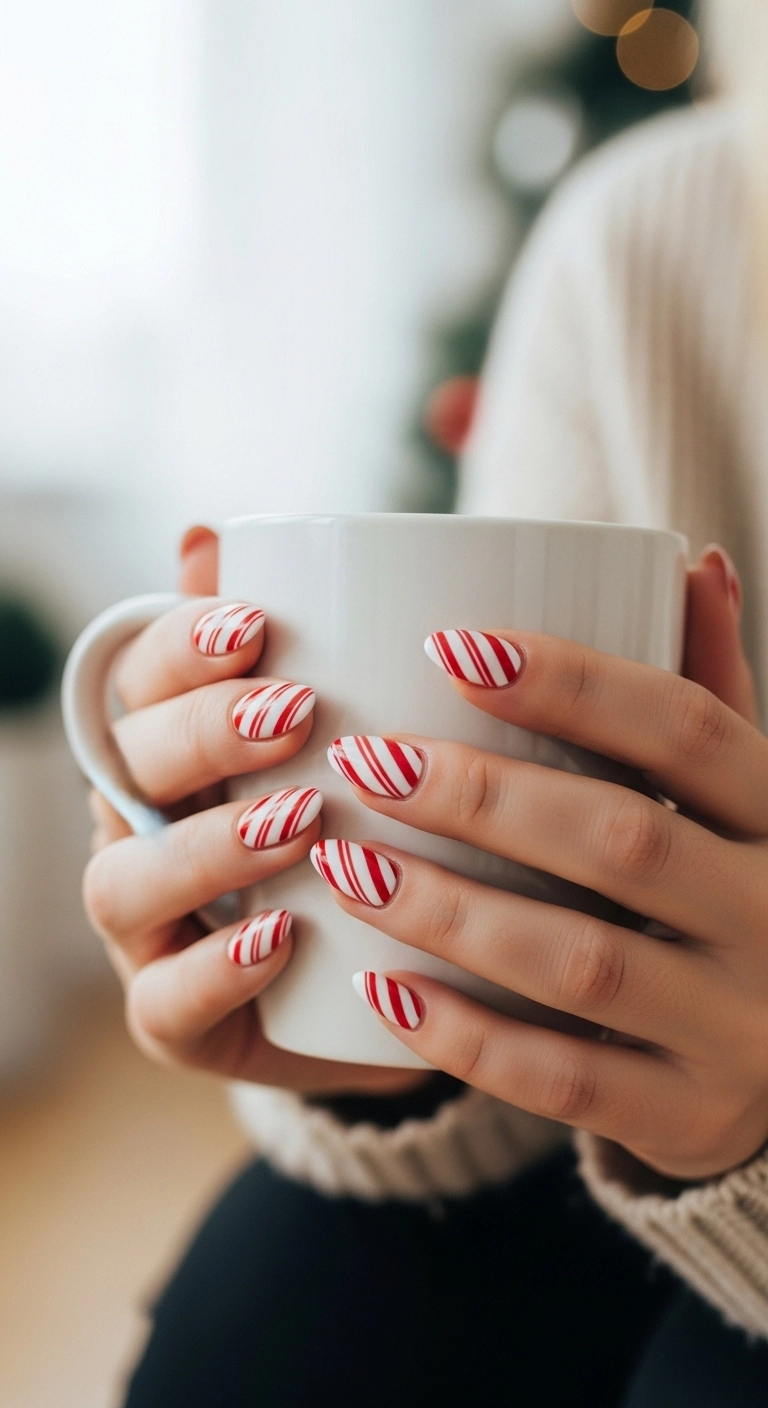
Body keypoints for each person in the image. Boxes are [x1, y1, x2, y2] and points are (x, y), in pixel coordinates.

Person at [86, 4, 768, 1403]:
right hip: (670, 1150)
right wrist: (388, 1032)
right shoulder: (641, 243)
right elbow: (556, 941)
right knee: (274, 1305)